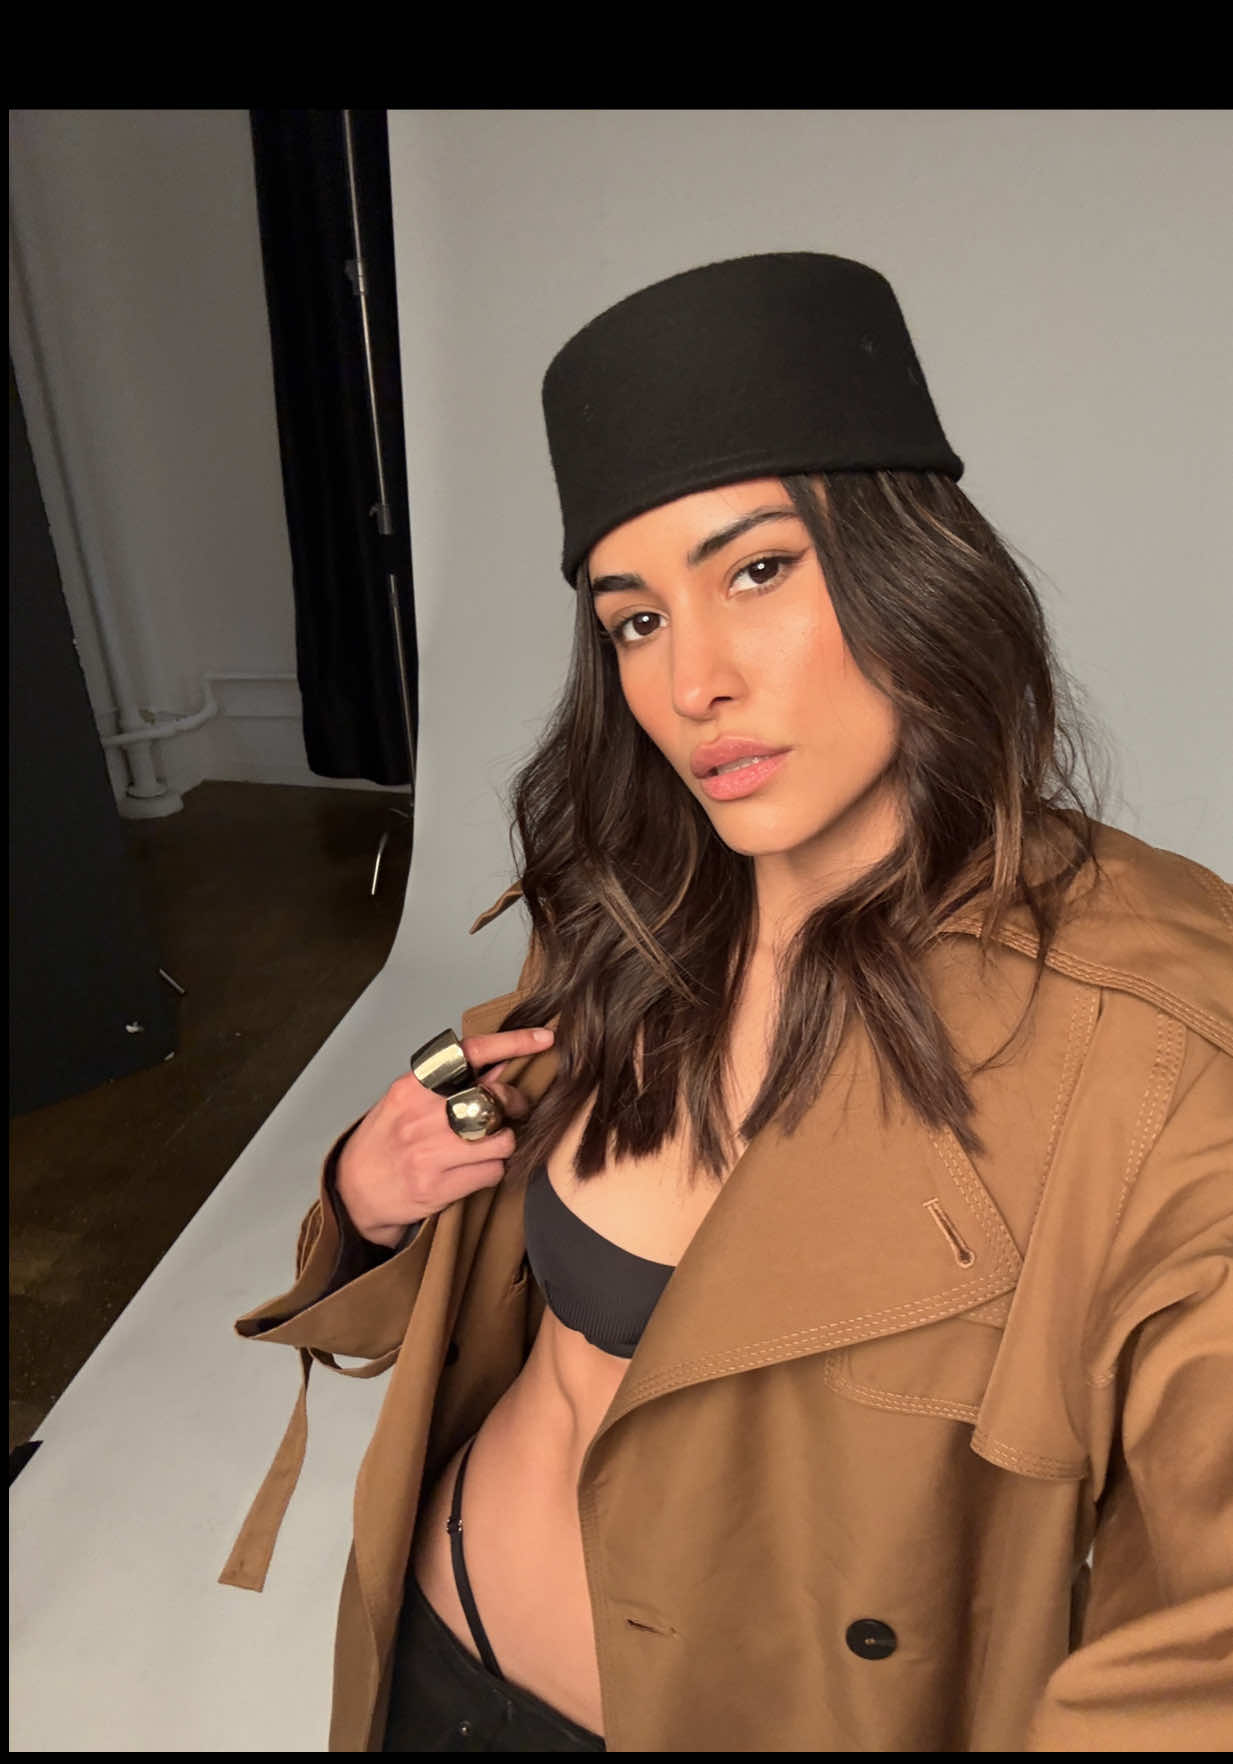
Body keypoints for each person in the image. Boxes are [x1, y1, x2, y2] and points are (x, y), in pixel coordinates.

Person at [221, 253, 1233, 1753]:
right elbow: (502, 1292)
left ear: (912, 568)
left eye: (757, 571)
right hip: (429, 1651)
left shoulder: (1152, 1037)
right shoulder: (640, 904)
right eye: (634, 620)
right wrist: (371, 1206)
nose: (691, 681)